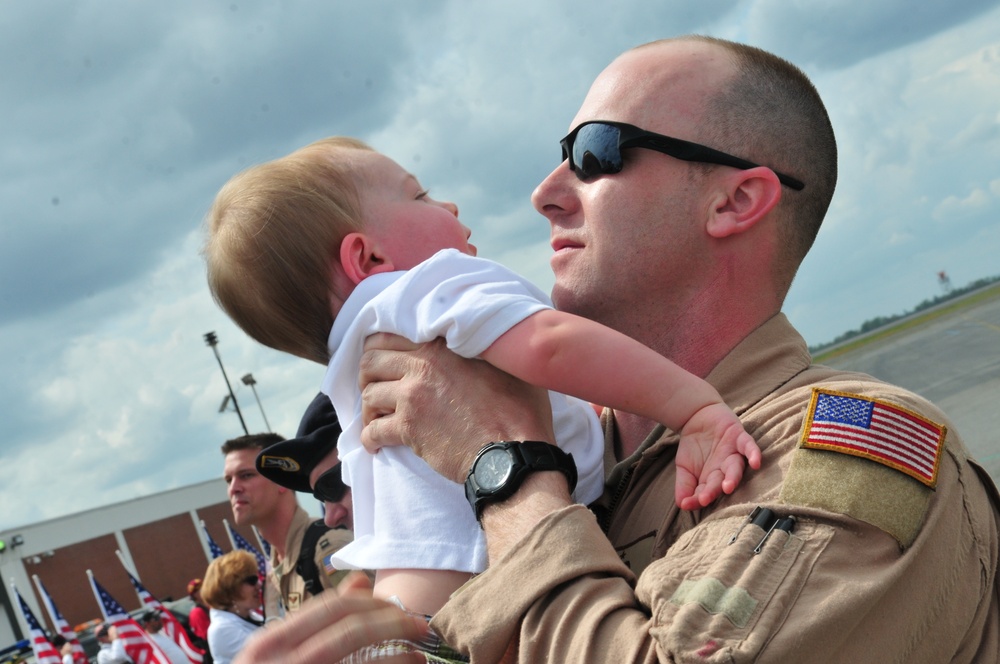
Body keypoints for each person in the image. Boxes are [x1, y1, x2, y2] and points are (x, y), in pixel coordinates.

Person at [344, 35, 1000, 662]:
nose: (545, 195)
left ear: (736, 200)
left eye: (596, 153)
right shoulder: (587, 453)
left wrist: (506, 468)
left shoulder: (844, 458)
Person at [203, 135, 760, 618]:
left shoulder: (363, 345)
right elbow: (550, 345)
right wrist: (695, 408)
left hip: (421, 577)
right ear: (367, 258)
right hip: (494, 555)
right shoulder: (428, 287)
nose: (447, 202)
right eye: (420, 196)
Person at [221, 433, 352, 617]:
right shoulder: (277, 568)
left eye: (246, 475)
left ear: (280, 480)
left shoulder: (330, 550)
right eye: (229, 480)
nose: (234, 488)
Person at [202, 551, 264, 664]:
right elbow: (273, 653)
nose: (259, 584)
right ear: (231, 589)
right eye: (252, 580)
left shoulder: (250, 616)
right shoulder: (221, 630)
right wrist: (272, 607)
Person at [185, 578, 212, 659]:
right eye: (201, 589)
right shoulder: (196, 612)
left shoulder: (209, 605)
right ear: (195, 595)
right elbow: (206, 636)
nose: (206, 590)